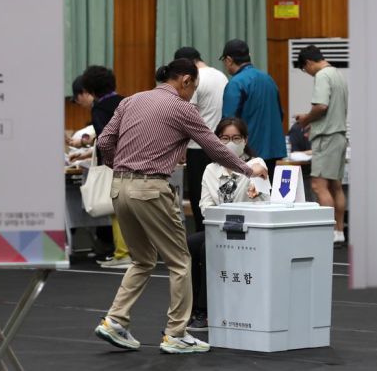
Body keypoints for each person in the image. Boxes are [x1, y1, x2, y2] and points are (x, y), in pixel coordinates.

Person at [94, 59, 268, 354]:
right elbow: (213, 147)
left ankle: (115, 320)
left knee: (142, 260)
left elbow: (104, 141)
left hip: (119, 186)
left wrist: (120, 165)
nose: (193, 94)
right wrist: (248, 169)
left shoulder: (131, 100)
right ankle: (176, 333)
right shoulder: (182, 108)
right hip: (151, 189)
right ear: (185, 80)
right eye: (194, 88)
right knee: (180, 261)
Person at [186, 117, 269, 332]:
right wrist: (221, 219)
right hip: (219, 228)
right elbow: (205, 206)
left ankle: (205, 311)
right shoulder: (210, 170)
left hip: (246, 230)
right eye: (224, 138)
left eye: (236, 138)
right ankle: (191, 306)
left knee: (207, 248)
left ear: (245, 140)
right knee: (188, 244)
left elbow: (262, 201)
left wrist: (255, 188)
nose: (230, 143)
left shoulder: (255, 164)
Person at [71, 70, 132, 268]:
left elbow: (105, 139)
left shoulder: (99, 109)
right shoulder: (126, 102)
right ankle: (135, 252)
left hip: (116, 163)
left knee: (117, 210)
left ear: (90, 90)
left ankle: (123, 254)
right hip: (135, 160)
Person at [294, 45, 349, 244]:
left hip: (327, 137)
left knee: (318, 186)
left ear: (308, 63)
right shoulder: (337, 74)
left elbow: (321, 106)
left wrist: (306, 120)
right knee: (335, 186)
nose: (307, 73)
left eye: (304, 69)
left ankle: (327, 233)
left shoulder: (322, 76)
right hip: (339, 135)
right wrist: (311, 120)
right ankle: (338, 232)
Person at [173, 46, 229, 233]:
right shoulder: (220, 76)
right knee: (220, 196)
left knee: (200, 200)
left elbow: (189, 116)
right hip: (221, 144)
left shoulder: (194, 79)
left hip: (198, 148)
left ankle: (202, 244)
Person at [220, 39, 286, 181]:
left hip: (249, 153)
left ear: (229, 60)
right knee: (268, 195)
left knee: (249, 197)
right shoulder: (268, 79)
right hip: (273, 150)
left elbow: (228, 123)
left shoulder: (236, 83)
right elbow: (280, 114)